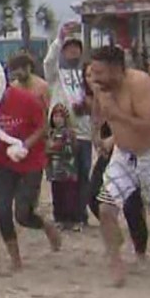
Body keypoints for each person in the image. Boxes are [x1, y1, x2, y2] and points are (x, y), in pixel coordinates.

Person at [89, 45, 150, 286]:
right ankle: (116, 263)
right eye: (92, 73)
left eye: (99, 73)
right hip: (124, 153)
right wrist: (98, 131)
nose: (94, 79)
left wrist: (116, 115)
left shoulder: (140, 83)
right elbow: (98, 110)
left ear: (117, 70)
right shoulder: (101, 86)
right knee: (105, 208)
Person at [0, 55, 61, 271]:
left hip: (32, 161)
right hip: (4, 161)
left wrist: (25, 146)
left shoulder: (25, 99)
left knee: (23, 214)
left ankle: (46, 225)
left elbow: (43, 127)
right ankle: (15, 259)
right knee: (2, 209)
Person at [44, 24, 93, 227]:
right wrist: (59, 39)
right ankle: (62, 216)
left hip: (85, 132)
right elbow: (48, 62)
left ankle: (80, 215)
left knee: (82, 175)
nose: (73, 51)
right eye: (68, 47)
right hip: (61, 133)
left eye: (76, 47)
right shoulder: (56, 75)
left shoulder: (87, 74)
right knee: (61, 176)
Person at [46, 104, 81, 227]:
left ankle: (72, 220)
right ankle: (59, 219)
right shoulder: (50, 133)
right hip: (55, 170)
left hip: (67, 170)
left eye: (61, 116)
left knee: (69, 196)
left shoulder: (69, 133)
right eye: (55, 116)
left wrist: (53, 147)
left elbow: (70, 148)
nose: (58, 119)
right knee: (57, 195)